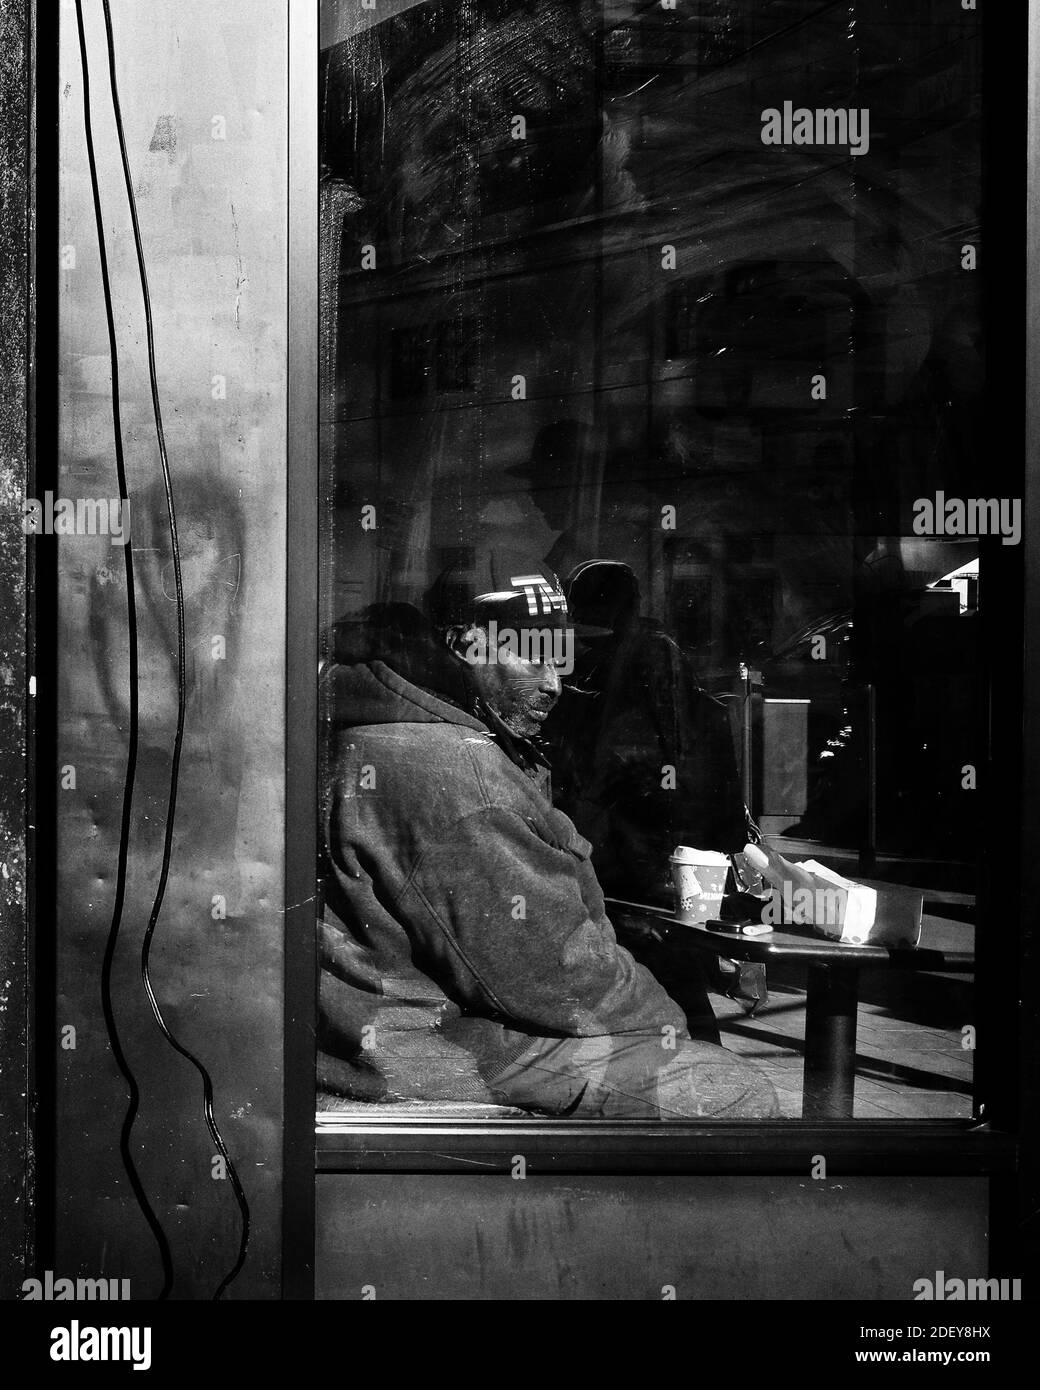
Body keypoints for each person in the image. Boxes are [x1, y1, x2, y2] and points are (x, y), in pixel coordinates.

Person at [317, 552, 777, 1120]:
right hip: (432, 1051)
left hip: (389, 1029)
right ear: (466, 645)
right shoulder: (453, 771)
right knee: (729, 1092)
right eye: (532, 658)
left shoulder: (398, 728)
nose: (554, 683)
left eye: (561, 660)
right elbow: (549, 973)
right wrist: (669, 1024)